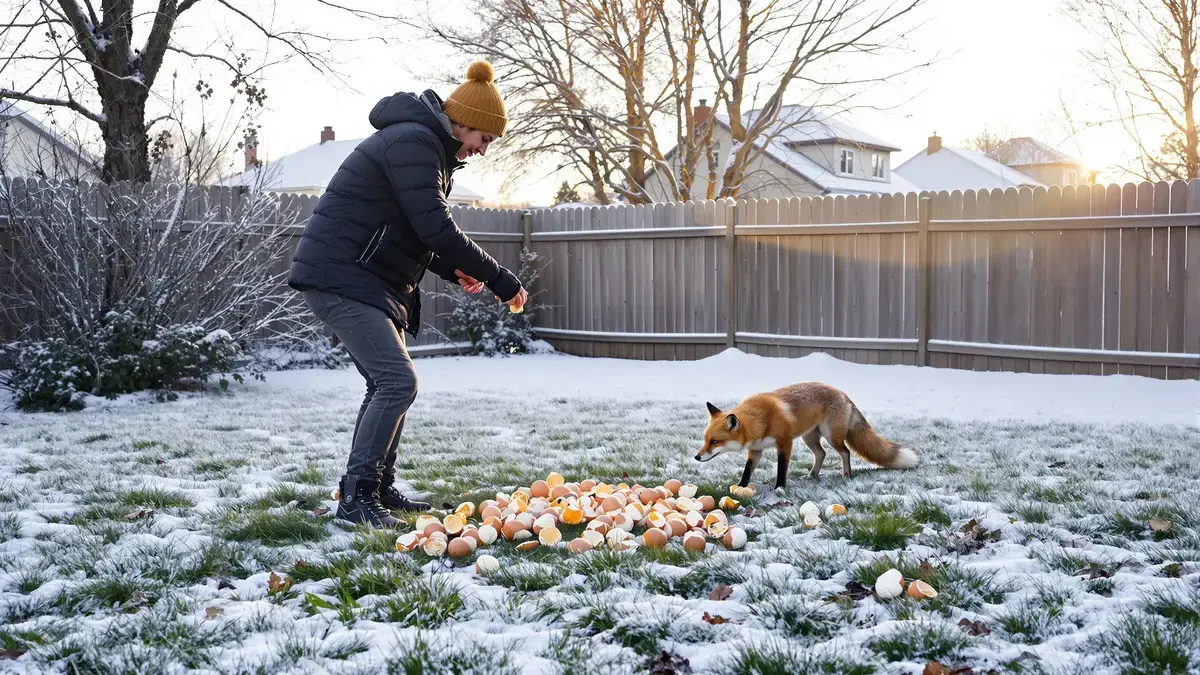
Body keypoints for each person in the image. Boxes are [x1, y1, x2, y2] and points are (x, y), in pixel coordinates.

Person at [287, 60, 528, 527]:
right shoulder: (414, 142)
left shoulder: (427, 148)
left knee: (388, 383)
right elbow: (434, 226)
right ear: (466, 123)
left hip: (359, 276)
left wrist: (450, 268)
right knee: (398, 381)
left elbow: (409, 231)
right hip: (342, 274)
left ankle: (376, 489)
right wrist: (501, 278)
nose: (484, 149)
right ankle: (357, 501)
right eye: (485, 139)